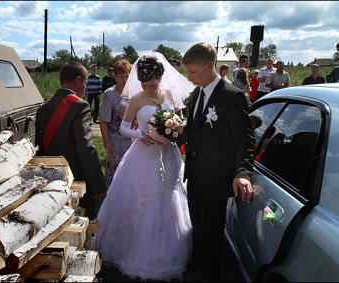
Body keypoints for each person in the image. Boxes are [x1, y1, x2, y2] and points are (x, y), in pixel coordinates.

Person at [96, 52, 195, 282]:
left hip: (168, 154)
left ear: (161, 77)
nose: (148, 89)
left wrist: (175, 130)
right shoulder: (137, 99)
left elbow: (179, 122)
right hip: (144, 155)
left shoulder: (170, 95)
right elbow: (122, 128)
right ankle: (138, 253)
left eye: (152, 84)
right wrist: (140, 134)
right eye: (144, 84)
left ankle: (169, 253)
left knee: (170, 199)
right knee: (143, 200)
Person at [181, 42, 255, 282]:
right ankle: (196, 265)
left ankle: (210, 273)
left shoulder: (232, 96)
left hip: (217, 176)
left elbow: (245, 139)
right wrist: (166, 134)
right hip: (195, 174)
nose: (189, 77)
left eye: (193, 72)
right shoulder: (198, 93)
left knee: (213, 231)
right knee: (198, 227)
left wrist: (242, 172)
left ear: (209, 66)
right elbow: (193, 131)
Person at [35, 61, 107, 220]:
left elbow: (39, 149)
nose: (85, 88)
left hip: (51, 178)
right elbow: (85, 147)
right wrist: (98, 182)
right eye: (85, 83)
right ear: (78, 80)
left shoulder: (42, 109)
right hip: (77, 179)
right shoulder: (80, 106)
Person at [99, 59, 133, 188]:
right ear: (115, 76)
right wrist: (106, 140)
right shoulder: (109, 94)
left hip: (132, 138)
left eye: (127, 76)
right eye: (121, 76)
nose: (124, 79)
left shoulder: (134, 92)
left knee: (131, 168)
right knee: (116, 169)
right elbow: (104, 120)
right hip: (115, 139)